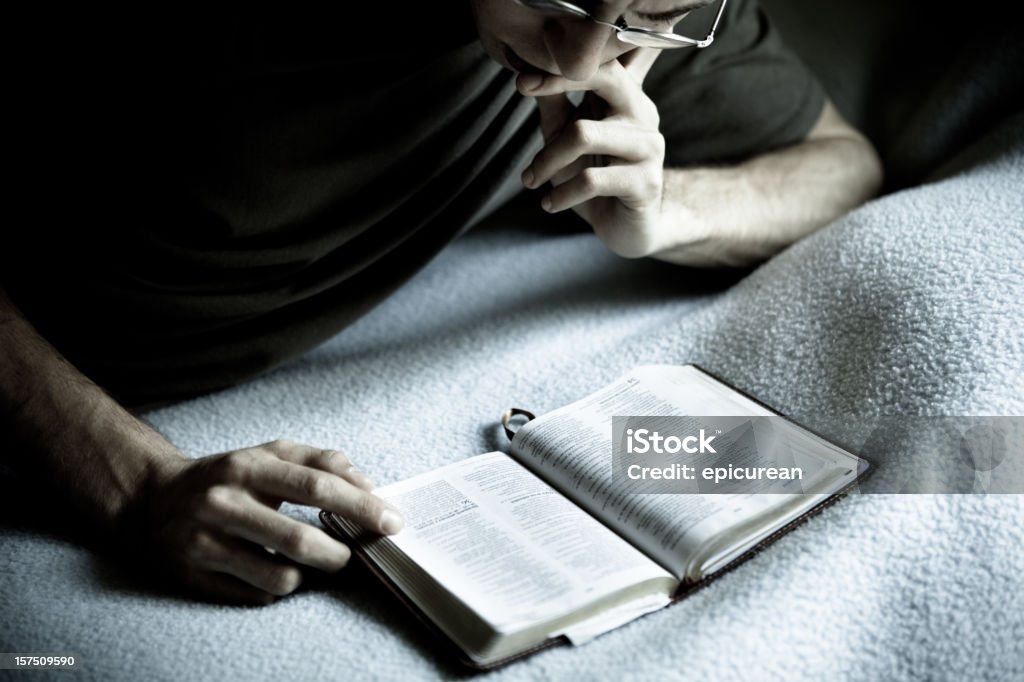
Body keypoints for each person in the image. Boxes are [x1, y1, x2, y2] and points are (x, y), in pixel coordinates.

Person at [0, 0, 881, 605]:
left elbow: (842, 164)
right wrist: (132, 488)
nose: (580, 57)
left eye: (651, 19)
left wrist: (665, 212)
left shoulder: (652, 30)